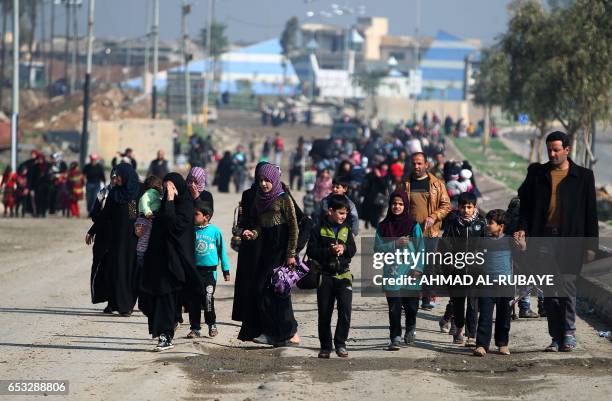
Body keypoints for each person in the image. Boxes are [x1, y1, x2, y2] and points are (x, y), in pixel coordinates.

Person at [515, 131, 598, 352]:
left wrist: (591, 245)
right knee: (549, 291)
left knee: (568, 288)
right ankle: (555, 336)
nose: (552, 153)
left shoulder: (584, 177)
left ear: (567, 150)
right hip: (543, 241)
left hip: (572, 241)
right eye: (549, 149)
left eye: (556, 149)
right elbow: (525, 206)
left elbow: (591, 214)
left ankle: (569, 333)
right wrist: (522, 228)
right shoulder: (537, 174)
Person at [140, 173, 201, 352]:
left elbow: (173, 224)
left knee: (168, 298)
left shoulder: (185, 206)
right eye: (166, 187)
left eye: (172, 187)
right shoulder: (162, 204)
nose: (168, 191)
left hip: (176, 262)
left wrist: (171, 201)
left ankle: (166, 335)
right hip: (158, 260)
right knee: (154, 297)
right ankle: (165, 331)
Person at [240, 164, 299, 346]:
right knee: (263, 290)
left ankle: (279, 333)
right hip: (267, 251)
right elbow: (260, 225)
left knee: (273, 292)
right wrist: (253, 233)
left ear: (274, 180)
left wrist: (290, 254)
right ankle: (276, 332)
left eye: (267, 180)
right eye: (261, 180)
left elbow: (294, 228)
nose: (264, 184)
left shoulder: (283, 199)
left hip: (280, 252)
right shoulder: (260, 199)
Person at [86, 163, 140, 316]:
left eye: (120, 176)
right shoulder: (114, 194)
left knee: (128, 271)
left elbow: (132, 216)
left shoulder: (134, 193)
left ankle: (128, 305)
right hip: (115, 240)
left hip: (131, 240)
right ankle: (116, 303)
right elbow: (104, 216)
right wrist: (92, 231)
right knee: (115, 271)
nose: (117, 179)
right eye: (115, 176)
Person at [306, 195, 357, 358]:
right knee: (324, 313)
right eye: (341, 213)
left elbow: (352, 250)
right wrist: (329, 251)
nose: (343, 216)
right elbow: (311, 251)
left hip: (344, 276)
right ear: (330, 211)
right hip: (325, 276)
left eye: (345, 213)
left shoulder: (347, 229)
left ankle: (341, 344)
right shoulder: (318, 228)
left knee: (345, 311)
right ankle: (326, 347)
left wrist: (344, 249)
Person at [400, 152, 451, 311]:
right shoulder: (405, 184)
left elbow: (446, 205)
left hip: (430, 233)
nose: (417, 166)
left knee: (429, 266)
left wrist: (434, 216)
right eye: (414, 163)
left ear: (426, 165)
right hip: (410, 232)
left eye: (420, 163)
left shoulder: (437, 184)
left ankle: (428, 297)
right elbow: (398, 205)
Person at [375, 190, 425, 350]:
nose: (397, 206)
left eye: (401, 204)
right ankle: (394, 336)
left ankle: (411, 326)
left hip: (411, 273)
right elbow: (377, 249)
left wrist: (418, 267)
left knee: (411, 306)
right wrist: (394, 244)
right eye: (394, 203)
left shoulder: (413, 226)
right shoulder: (383, 226)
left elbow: (421, 248)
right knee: (394, 307)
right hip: (392, 273)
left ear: (406, 206)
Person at [442, 191, 486, 346]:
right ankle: (459, 330)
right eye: (463, 207)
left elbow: (486, 246)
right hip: (456, 270)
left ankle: (471, 335)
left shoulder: (481, 224)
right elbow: (445, 244)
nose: (466, 210)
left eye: (469, 207)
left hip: (475, 270)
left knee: (473, 304)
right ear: (458, 207)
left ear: (475, 207)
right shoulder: (453, 224)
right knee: (458, 303)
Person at [232, 161, 268, 339]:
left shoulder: (279, 194)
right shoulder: (248, 195)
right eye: (260, 177)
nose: (263, 182)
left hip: (269, 247)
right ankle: (252, 325)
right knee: (250, 285)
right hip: (250, 247)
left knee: (266, 286)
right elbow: (241, 221)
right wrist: (243, 230)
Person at [473, 209, 515, 357]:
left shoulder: (510, 240)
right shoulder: (483, 241)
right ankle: (481, 345)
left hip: (506, 285)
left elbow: (523, 252)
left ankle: (502, 344)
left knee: (504, 317)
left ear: (501, 226)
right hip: (486, 284)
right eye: (487, 222)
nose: (487, 225)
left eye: (491, 223)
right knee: (485, 315)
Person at [187, 200, 231, 338]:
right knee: (193, 300)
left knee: (208, 299)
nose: (193, 217)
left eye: (196, 214)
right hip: (195, 272)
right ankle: (195, 328)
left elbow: (222, 251)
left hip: (210, 273)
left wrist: (226, 270)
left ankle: (212, 325)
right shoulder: (191, 231)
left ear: (206, 217)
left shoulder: (215, 232)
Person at [134, 176, 163, 268]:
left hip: (144, 221)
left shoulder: (137, 193)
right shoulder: (134, 195)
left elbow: (133, 214)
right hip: (141, 222)